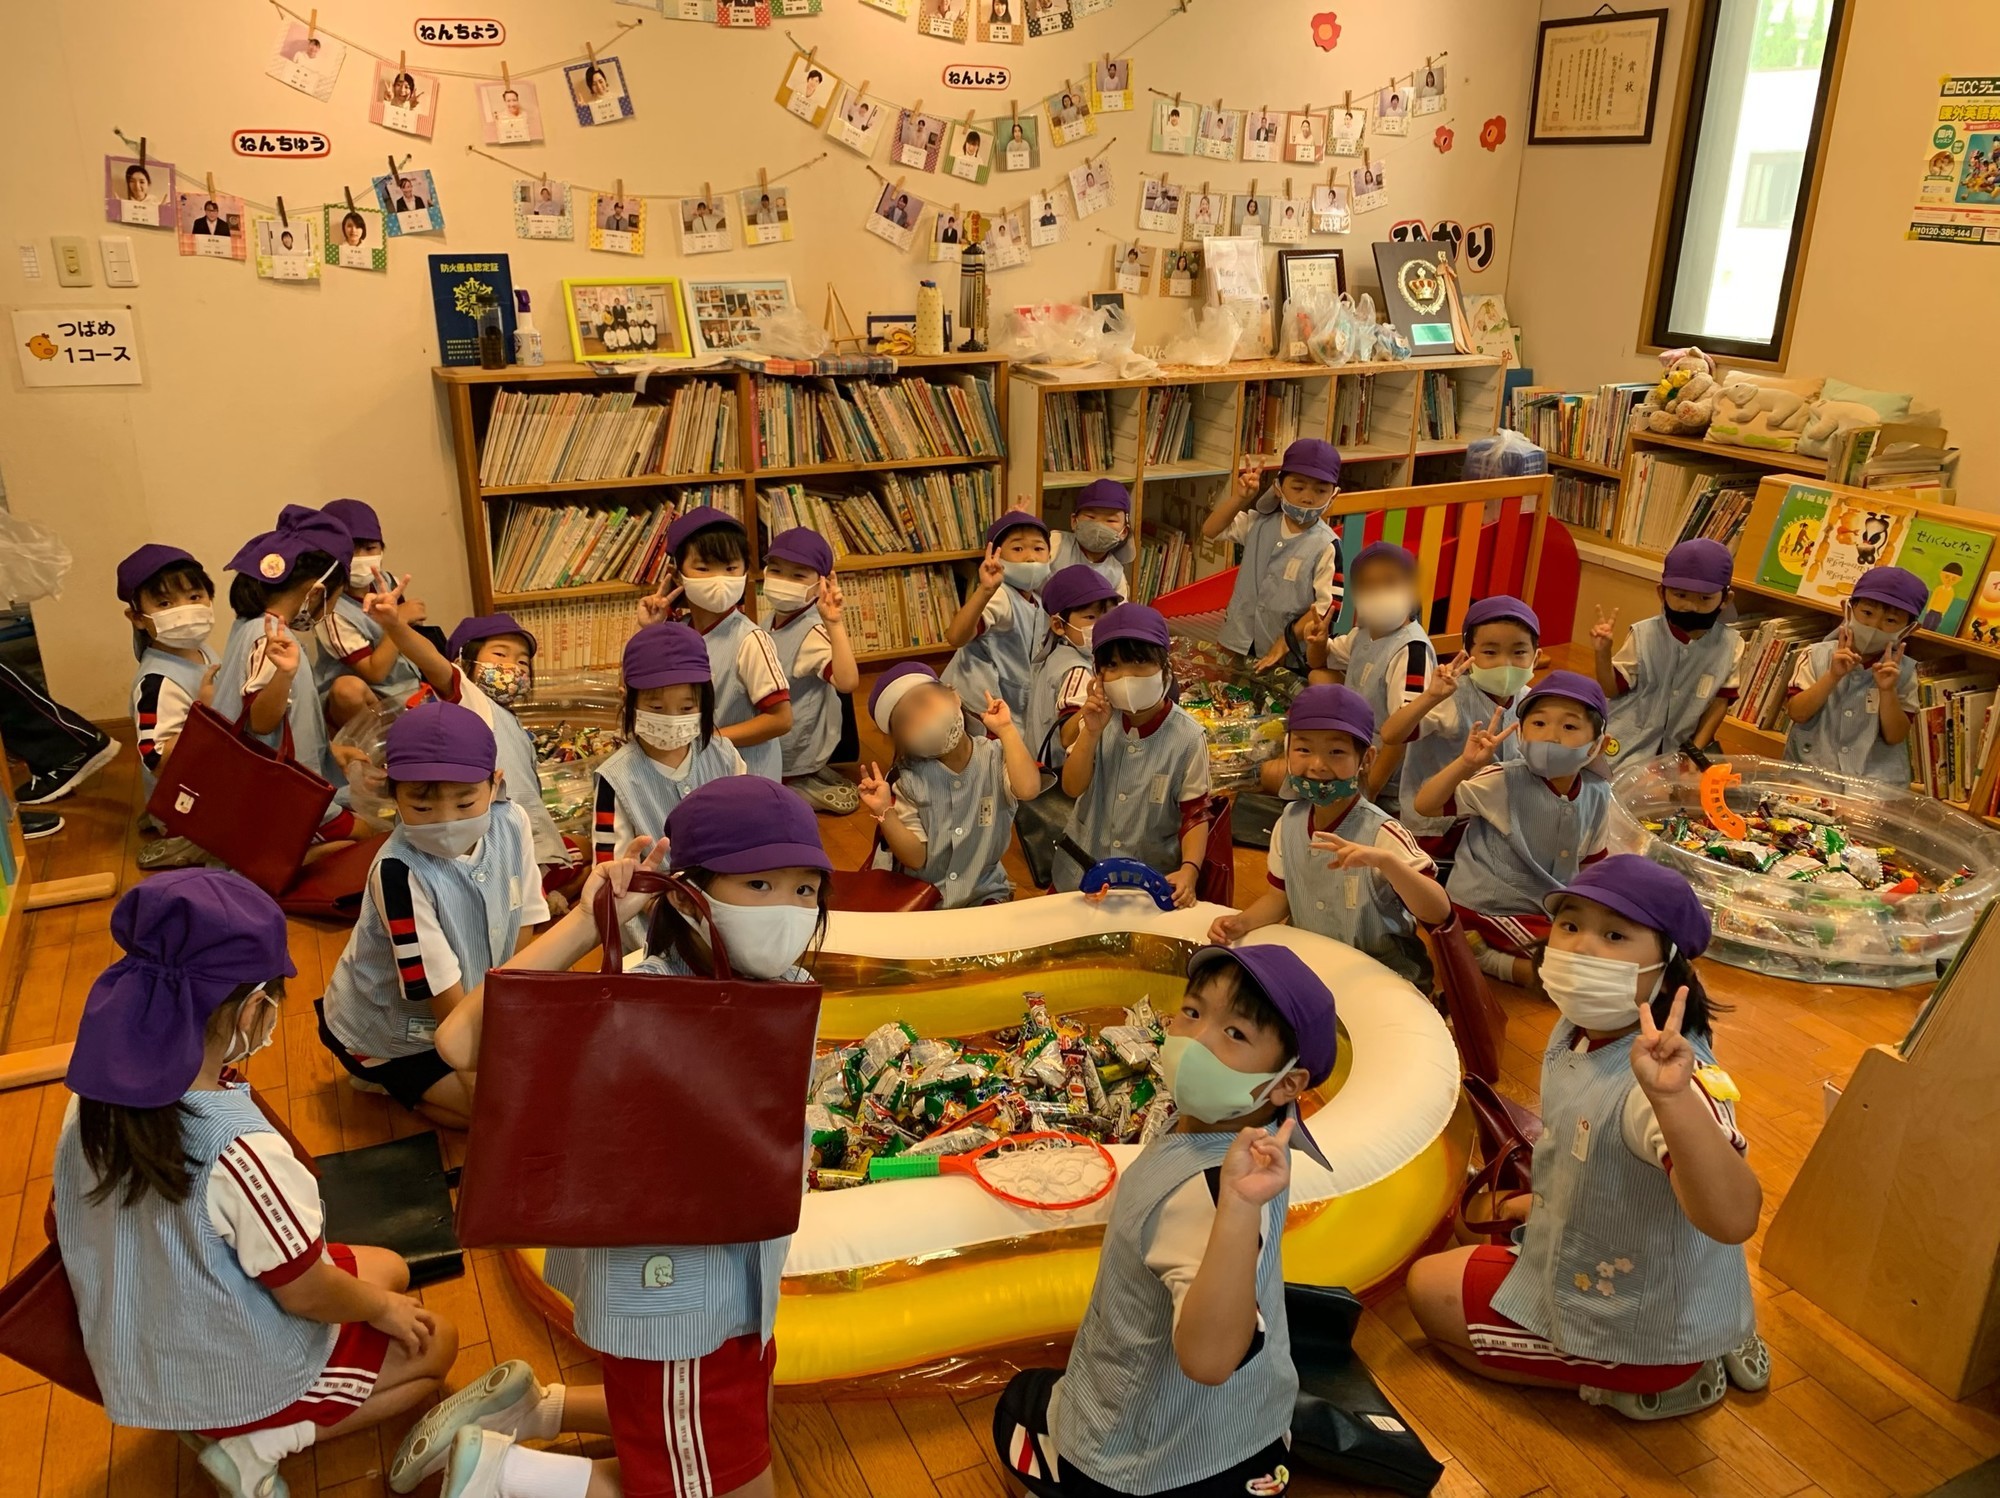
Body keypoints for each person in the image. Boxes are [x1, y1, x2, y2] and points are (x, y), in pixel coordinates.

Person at [423, 777, 832, 1498]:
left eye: (805, 890)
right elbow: (459, 1041)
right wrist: (587, 925)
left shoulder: (787, 991)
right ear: (688, 894)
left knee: (729, 1423)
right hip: (680, 1308)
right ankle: (503, 1476)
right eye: (759, 884)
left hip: (733, 1295)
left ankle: (536, 1409)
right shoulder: (641, 996)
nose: (787, 909)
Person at [52, 870, 512, 1498]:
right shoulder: (239, 1151)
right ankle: (256, 1444)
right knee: (437, 1345)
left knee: (391, 1269)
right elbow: (305, 1292)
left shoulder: (90, 1100)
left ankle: (222, 1415)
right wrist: (378, 1310)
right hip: (226, 1373)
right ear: (251, 1009)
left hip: (143, 1334)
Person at [1405, 857, 1769, 1420]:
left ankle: (1661, 1375)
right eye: (1570, 925)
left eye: (1615, 935)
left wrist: (1672, 1101)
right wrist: (1544, 1201)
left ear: (1668, 963)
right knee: (1470, 1219)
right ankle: (1715, 1331)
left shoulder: (1666, 1084)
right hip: (1633, 1251)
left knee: (1427, 1291)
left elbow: (1733, 1218)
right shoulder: (1586, 1023)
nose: (1580, 947)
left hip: (1642, 1322)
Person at [992, 943, 1334, 1496]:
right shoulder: (1261, 1137)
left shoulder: (1207, 1193)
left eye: (1235, 1033)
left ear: (1288, 1082)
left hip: (1146, 1468)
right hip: (1257, 1438)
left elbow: (1209, 1359)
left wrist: (1235, 1207)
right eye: (1193, 1013)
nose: (1197, 1040)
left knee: (1016, 1404)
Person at [316, 702, 546, 1128]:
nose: (446, 821)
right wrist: (486, 1084)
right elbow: (442, 1000)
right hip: (390, 1032)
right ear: (394, 795)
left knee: (529, 1081)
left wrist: (512, 1013)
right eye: (422, 808)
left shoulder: (512, 822)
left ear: (495, 784)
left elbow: (527, 913)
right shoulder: (398, 873)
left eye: (466, 803)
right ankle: (378, 1074)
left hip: (466, 1002)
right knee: (494, 1114)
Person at [1212, 686, 1447, 986]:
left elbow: (1438, 912)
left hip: (1383, 976)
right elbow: (1279, 898)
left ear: (1366, 759)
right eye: (1303, 749)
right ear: (1287, 751)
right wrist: (1240, 922)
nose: (1317, 765)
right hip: (1312, 964)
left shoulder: (1383, 834)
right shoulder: (1289, 823)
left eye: (1336, 752)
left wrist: (1388, 863)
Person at [369, 602, 577, 906]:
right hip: (490, 841)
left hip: (521, 835)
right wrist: (395, 626)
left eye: (522, 662)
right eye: (500, 654)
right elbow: (432, 662)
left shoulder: (509, 718)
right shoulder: (471, 700)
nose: (513, 667)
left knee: (576, 851)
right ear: (462, 661)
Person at [1414, 670, 1613, 987]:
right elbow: (1426, 805)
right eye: (1539, 723)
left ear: (1597, 746)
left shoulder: (1598, 792)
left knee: (1609, 953)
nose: (1550, 736)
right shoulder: (1503, 779)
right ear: (1520, 734)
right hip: (1491, 906)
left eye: (1569, 726)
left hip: (1547, 906)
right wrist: (1466, 764)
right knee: (1573, 972)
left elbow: (1592, 863)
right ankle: (1486, 958)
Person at [211, 505, 361, 844]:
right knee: (381, 835)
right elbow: (261, 722)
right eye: (336, 599)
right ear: (318, 592)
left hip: (259, 791)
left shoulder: (249, 624)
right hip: (283, 805)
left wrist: (330, 753)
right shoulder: (273, 638)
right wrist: (284, 674)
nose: (331, 610)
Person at [1054, 603, 1211, 903]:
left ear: (1164, 666)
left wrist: (1190, 869)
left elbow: (1195, 813)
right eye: (1113, 666)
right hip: (1083, 871)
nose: (1126, 676)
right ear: (1098, 674)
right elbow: (1072, 787)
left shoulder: (1188, 737)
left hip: (1149, 880)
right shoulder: (1098, 719)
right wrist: (1091, 732)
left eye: (1139, 662)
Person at [860, 663, 1039, 907]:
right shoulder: (908, 780)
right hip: (927, 899)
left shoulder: (996, 757)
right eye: (904, 721)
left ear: (954, 696)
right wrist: (884, 811)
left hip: (984, 891)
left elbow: (1028, 789)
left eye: (923, 702)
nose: (920, 719)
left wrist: (1006, 730)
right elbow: (916, 858)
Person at [642, 506, 791, 780]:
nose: (719, 578)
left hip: (746, 777)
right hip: (700, 769)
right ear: (677, 575)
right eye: (703, 568)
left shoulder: (750, 640)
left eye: (731, 568)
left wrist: (709, 737)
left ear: (745, 571)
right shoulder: (676, 631)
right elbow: (635, 687)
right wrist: (649, 631)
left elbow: (781, 719)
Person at [1381, 594, 1537, 852]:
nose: (1505, 663)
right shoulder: (1451, 698)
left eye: (1519, 652)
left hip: (1494, 825)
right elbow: (1391, 734)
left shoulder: (1532, 702)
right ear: (1467, 654)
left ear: (1536, 657)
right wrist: (1430, 697)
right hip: (1439, 829)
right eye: (1490, 652)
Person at [592, 621, 745, 860]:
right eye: (656, 707)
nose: (672, 720)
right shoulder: (615, 780)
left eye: (686, 708)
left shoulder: (726, 757)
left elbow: (747, 830)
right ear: (627, 700)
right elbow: (609, 870)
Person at [1304, 541, 1433, 814]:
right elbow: (1319, 662)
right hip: (1357, 746)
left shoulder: (1411, 650)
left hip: (1385, 777)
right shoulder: (1363, 635)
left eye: (1390, 583)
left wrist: (1368, 791)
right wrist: (1318, 641)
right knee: (1318, 678)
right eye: (1368, 587)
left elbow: (1402, 736)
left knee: (1279, 777)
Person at [1593, 538, 1742, 768]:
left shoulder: (1731, 646)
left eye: (1705, 598)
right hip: (1624, 744)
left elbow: (1719, 704)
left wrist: (1695, 754)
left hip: (1678, 752)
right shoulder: (1644, 635)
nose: (1691, 606)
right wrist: (1603, 654)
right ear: (1662, 593)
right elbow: (1610, 689)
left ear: (1725, 599)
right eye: (1680, 595)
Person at [1202, 438, 1346, 671]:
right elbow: (1210, 530)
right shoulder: (1259, 523)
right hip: (1236, 639)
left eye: (1320, 490)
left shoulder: (1327, 545)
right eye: (1298, 487)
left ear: (1334, 495)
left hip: (1286, 656)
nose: (1308, 497)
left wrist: (1286, 641)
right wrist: (1240, 498)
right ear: (1278, 487)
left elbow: (1326, 608)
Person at [116, 544, 219, 869]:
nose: (185, 610)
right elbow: (156, 759)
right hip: (188, 807)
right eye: (164, 603)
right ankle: (180, 838)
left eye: (194, 596)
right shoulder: (157, 682)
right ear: (137, 618)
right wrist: (205, 716)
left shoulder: (202, 651)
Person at [1784, 564, 1922, 785]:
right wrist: (1832, 676)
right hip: (1812, 773)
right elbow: (1797, 713)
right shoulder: (1815, 655)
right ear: (1848, 609)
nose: (1875, 625)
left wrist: (1887, 691)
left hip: (1873, 784)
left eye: (1890, 621)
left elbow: (1895, 736)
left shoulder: (1904, 672)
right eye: (1867, 613)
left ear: (1909, 629)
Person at [759, 528, 860, 814]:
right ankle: (806, 776)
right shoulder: (772, 618)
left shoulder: (812, 632)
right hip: (781, 728)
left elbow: (847, 682)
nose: (783, 581)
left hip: (794, 739)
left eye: (798, 576)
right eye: (776, 571)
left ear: (821, 585)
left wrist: (834, 624)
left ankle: (799, 787)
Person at [314, 498, 421, 725]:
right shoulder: (330, 611)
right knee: (347, 690)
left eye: (370, 548)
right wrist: (399, 620)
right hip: (367, 696)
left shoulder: (387, 582)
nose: (361, 558)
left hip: (408, 686)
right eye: (351, 551)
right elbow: (374, 673)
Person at [944, 510, 1054, 720]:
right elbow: (956, 637)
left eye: (1038, 548)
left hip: (1004, 701)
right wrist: (985, 590)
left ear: (1049, 556)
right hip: (977, 704)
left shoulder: (1037, 599)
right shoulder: (1000, 596)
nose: (1030, 558)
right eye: (1018, 548)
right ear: (997, 556)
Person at [1027, 564, 1120, 772]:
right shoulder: (1077, 670)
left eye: (1108, 616)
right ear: (1058, 625)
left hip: (1039, 767)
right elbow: (1068, 737)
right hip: (1061, 772)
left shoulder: (1055, 653)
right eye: (1091, 617)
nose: (1103, 625)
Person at [1049, 477, 1134, 595]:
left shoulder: (1116, 575)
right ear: (1074, 521)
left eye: (1110, 520)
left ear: (1124, 532)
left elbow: (1120, 607)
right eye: (1091, 517)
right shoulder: (1054, 544)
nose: (1099, 526)